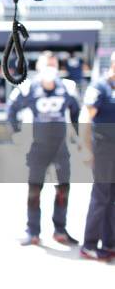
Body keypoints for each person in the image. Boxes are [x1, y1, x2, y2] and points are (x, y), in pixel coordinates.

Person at [7, 51, 80, 246]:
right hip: (37, 146)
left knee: (63, 188)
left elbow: (76, 114)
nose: (50, 68)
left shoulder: (67, 86)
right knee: (35, 189)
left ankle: (60, 229)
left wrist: (81, 139)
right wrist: (15, 133)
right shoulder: (27, 87)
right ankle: (33, 231)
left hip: (60, 146)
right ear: (38, 67)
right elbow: (11, 110)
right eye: (46, 64)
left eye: (53, 64)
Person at [79, 51, 115, 261]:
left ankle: (110, 243)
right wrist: (85, 148)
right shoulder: (100, 87)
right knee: (101, 197)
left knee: (112, 199)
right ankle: (90, 244)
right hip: (103, 149)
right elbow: (85, 117)